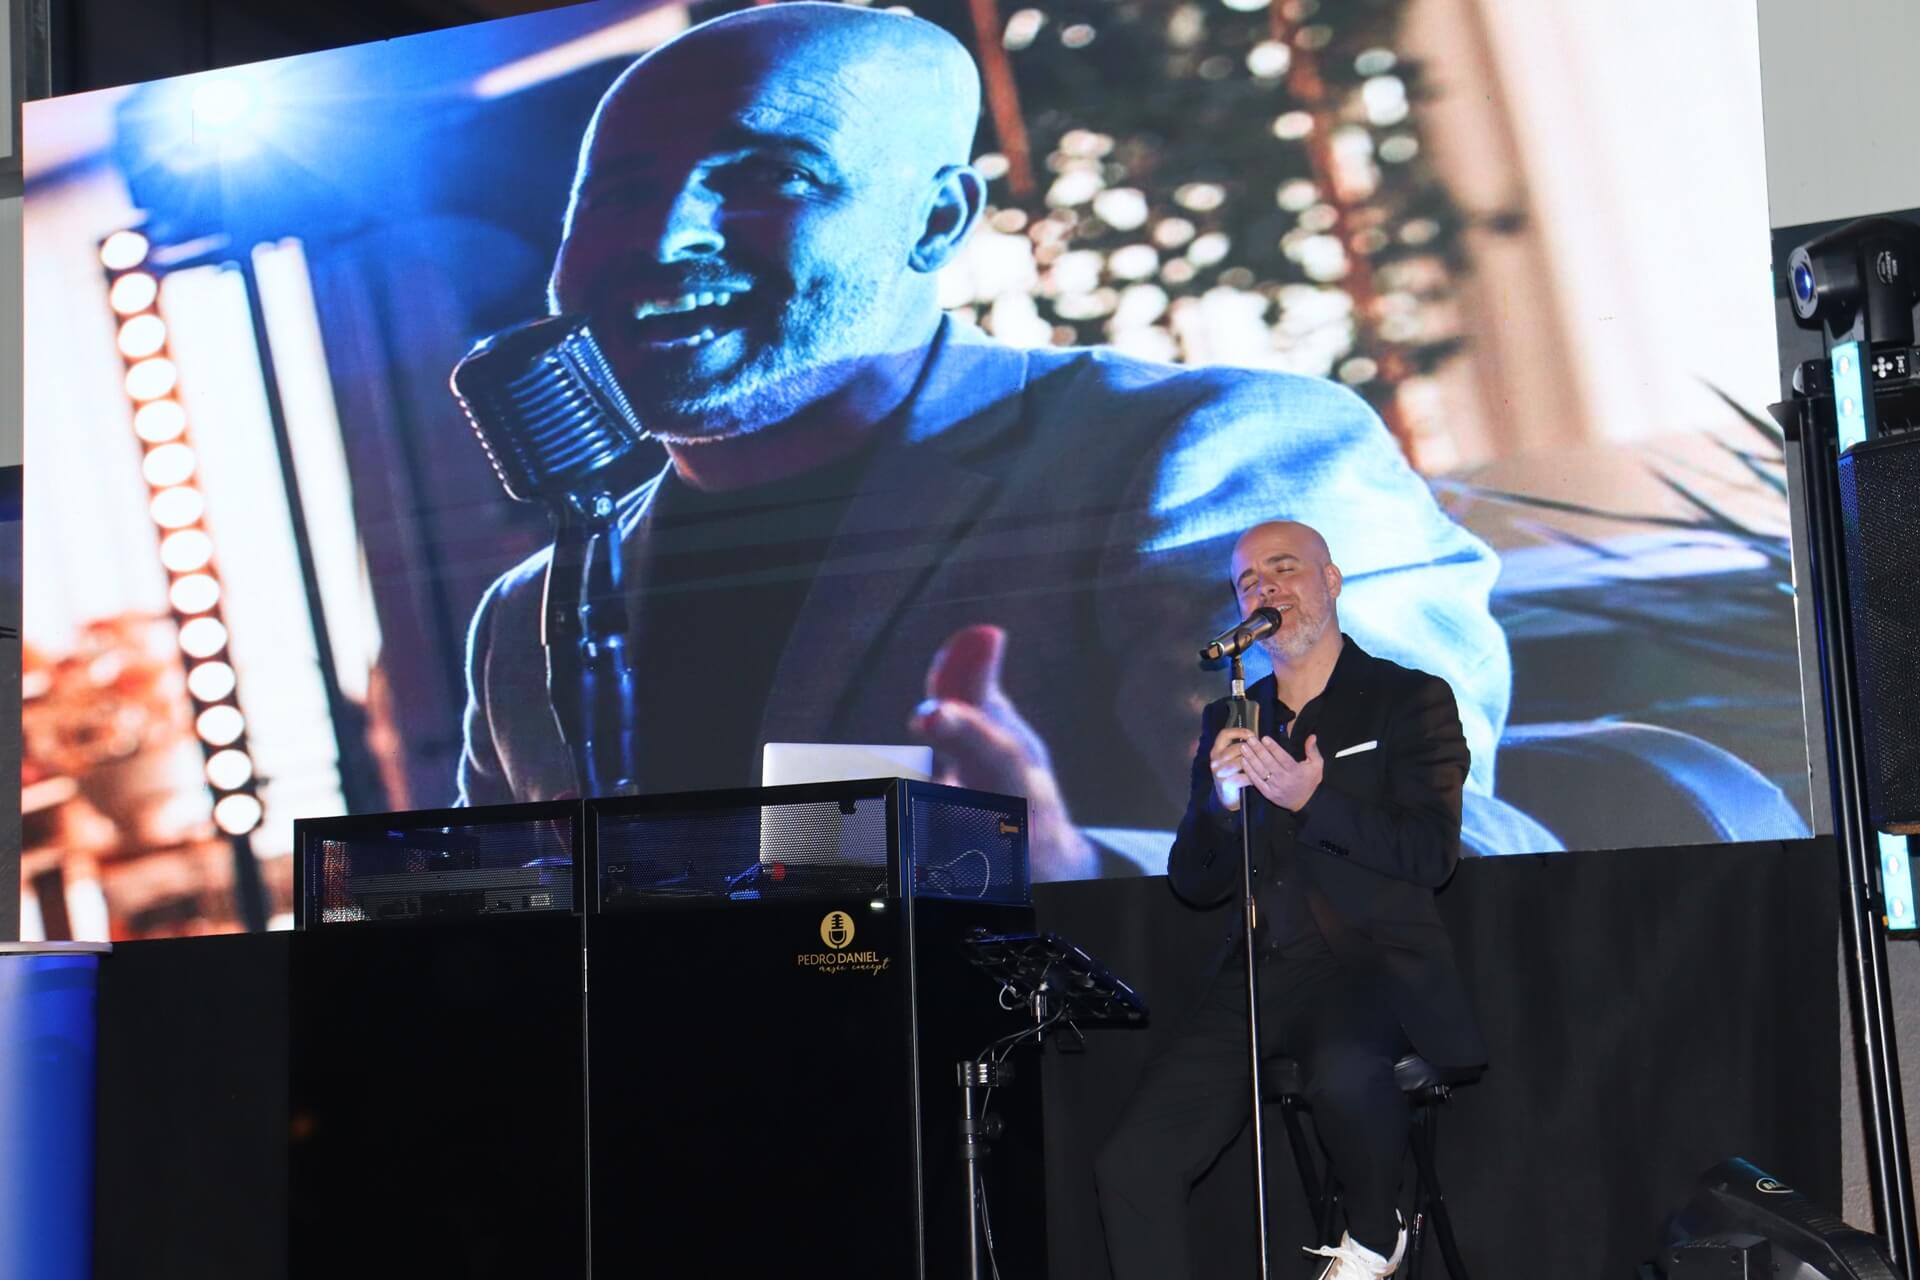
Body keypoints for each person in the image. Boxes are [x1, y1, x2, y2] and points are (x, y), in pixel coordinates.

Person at [456, 2, 1517, 879]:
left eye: (766, 177)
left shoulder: (1206, 456)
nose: (664, 235)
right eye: (620, 193)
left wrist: (1068, 875)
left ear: (937, 222)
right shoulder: (526, 617)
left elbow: (1430, 861)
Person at [1093, 519, 1486, 1278]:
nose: (1266, 588)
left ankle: (1374, 1234)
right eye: (1248, 581)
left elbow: (1429, 854)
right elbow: (1193, 881)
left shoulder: (1407, 698)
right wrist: (1220, 805)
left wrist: (1313, 801)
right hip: (1259, 971)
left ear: (1331, 581)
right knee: (1132, 1164)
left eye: (1284, 569)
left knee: (1344, 1068)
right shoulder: (1232, 717)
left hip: (1366, 963)